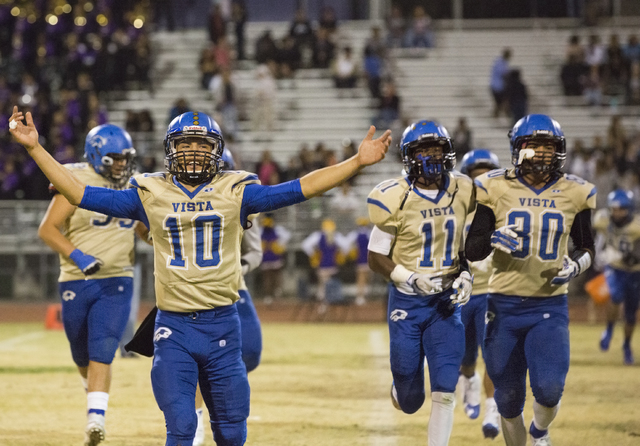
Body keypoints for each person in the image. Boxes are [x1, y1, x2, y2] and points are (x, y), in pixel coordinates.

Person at [9, 106, 391, 446]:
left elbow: (298, 189)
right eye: (185, 145)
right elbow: (79, 193)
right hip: (173, 328)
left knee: (231, 432)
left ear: (216, 151)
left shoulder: (237, 189)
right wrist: (34, 148)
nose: (193, 153)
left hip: (223, 324)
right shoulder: (149, 191)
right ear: (170, 150)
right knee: (179, 427)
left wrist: (355, 163)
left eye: (202, 145)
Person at [465, 114, 596, 446]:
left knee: (549, 391)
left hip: (549, 305)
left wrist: (575, 267)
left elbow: (587, 247)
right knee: (508, 401)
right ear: (517, 149)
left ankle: (539, 430)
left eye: (548, 146)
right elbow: (473, 248)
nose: (541, 153)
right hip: (503, 305)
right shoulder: (492, 186)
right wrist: (493, 237)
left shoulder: (576, 191)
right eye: (533, 145)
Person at [36, 124, 147, 446]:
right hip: (76, 278)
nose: (123, 165)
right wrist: (79, 256)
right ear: (97, 155)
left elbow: (141, 227)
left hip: (117, 278)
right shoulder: (77, 180)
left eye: (126, 158)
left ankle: (96, 419)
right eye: (115, 159)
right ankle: (94, 398)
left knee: (104, 346)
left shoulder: (133, 184)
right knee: (81, 353)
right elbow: (48, 229)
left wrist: (155, 236)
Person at [367, 120, 475, 446]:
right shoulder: (394, 197)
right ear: (409, 156)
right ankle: (401, 390)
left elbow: (465, 244)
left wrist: (467, 273)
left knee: (445, 386)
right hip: (407, 302)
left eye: (437, 149)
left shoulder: (463, 190)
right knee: (411, 399)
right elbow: (375, 257)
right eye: (423, 150)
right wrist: (409, 277)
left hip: (446, 302)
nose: (431, 155)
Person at [457, 149, 501, 439]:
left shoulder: (504, 205)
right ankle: (469, 380)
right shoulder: (457, 206)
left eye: (487, 173)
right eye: (476, 174)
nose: (482, 179)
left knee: (494, 356)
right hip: (463, 292)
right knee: (467, 356)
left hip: (493, 291)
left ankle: (492, 408)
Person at [594, 189, 640, 365]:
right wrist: (601, 255)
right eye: (614, 209)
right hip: (615, 267)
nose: (617, 213)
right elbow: (600, 237)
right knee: (616, 296)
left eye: (622, 209)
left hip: (635, 271)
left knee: (630, 313)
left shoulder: (636, 226)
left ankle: (627, 345)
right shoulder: (603, 220)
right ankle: (609, 330)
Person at [490, 48, 512, 118]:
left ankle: (498, 115)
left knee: (500, 103)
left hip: (498, 86)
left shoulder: (502, 62)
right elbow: (503, 74)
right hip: (498, 87)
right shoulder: (500, 62)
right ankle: (503, 115)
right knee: (502, 102)